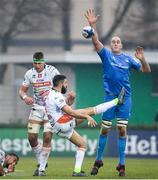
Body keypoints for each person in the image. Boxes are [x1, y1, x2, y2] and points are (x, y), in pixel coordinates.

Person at [84, 9, 151, 177]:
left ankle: (121, 165)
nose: (114, 43)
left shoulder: (129, 59)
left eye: (117, 42)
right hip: (109, 98)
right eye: (113, 41)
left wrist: (142, 59)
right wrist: (92, 25)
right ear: (111, 45)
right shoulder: (106, 55)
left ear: (121, 45)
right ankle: (98, 160)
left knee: (122, 130)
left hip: (124, 99)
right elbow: (96, 42)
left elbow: (146, 71)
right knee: (105, 130)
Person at [44, 74, 125, 177]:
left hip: (57, 127)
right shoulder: (57, 96)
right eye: (66, 83)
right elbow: (71, 112)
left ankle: (76, 171)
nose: (67, 85)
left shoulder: (50, 94)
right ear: (61, 84)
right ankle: (117, 101)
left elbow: (58, 109)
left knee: (82, 144)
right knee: (91, 110)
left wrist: (69, 101)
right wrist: (86, 117)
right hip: (63, 123)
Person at [19, 52, 75, 176]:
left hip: (50, 108)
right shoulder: (29, 73)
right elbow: (22, 90)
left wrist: (66, 97)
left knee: (47, 136)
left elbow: (62, 84)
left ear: (44, 62)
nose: (37, 65)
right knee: (31, 137)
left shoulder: (52, 71)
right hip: (37, 108)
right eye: (35, 63)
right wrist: (25, 97)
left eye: (39, 63)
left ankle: (42, 168)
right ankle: (42, 160)